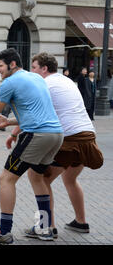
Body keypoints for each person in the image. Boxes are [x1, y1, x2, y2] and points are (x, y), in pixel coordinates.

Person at [0, 48, 63, 244]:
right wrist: (9, 122)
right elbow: (35, 110)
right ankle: (45, 228)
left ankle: (4, 232)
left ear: (12, 64)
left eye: (1, 66)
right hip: (56, 134)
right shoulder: (36, 77)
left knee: (6, 178)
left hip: (36, 135)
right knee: (36, 177)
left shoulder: (9, 82)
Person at [24, 53, 103, 238]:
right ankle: (81, 222)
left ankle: (46, 226)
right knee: (70, 179)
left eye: (34, 67)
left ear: (44, 68)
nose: (31, 71)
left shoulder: (45, 84)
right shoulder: (66, 81)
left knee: (40, 178)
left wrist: (11, 127)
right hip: (88, 137)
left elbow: (33, 114)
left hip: (69, 140)